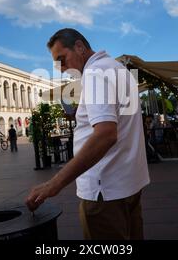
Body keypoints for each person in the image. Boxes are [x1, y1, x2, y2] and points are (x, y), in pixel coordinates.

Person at [26, 28, 150, 240]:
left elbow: (105, 135)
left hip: (105, 190)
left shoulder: (94, 74)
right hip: (129, 183)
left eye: (62, 59)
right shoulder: (117, 68)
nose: (62, 69)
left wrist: (54, 183)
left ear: (80, 47)